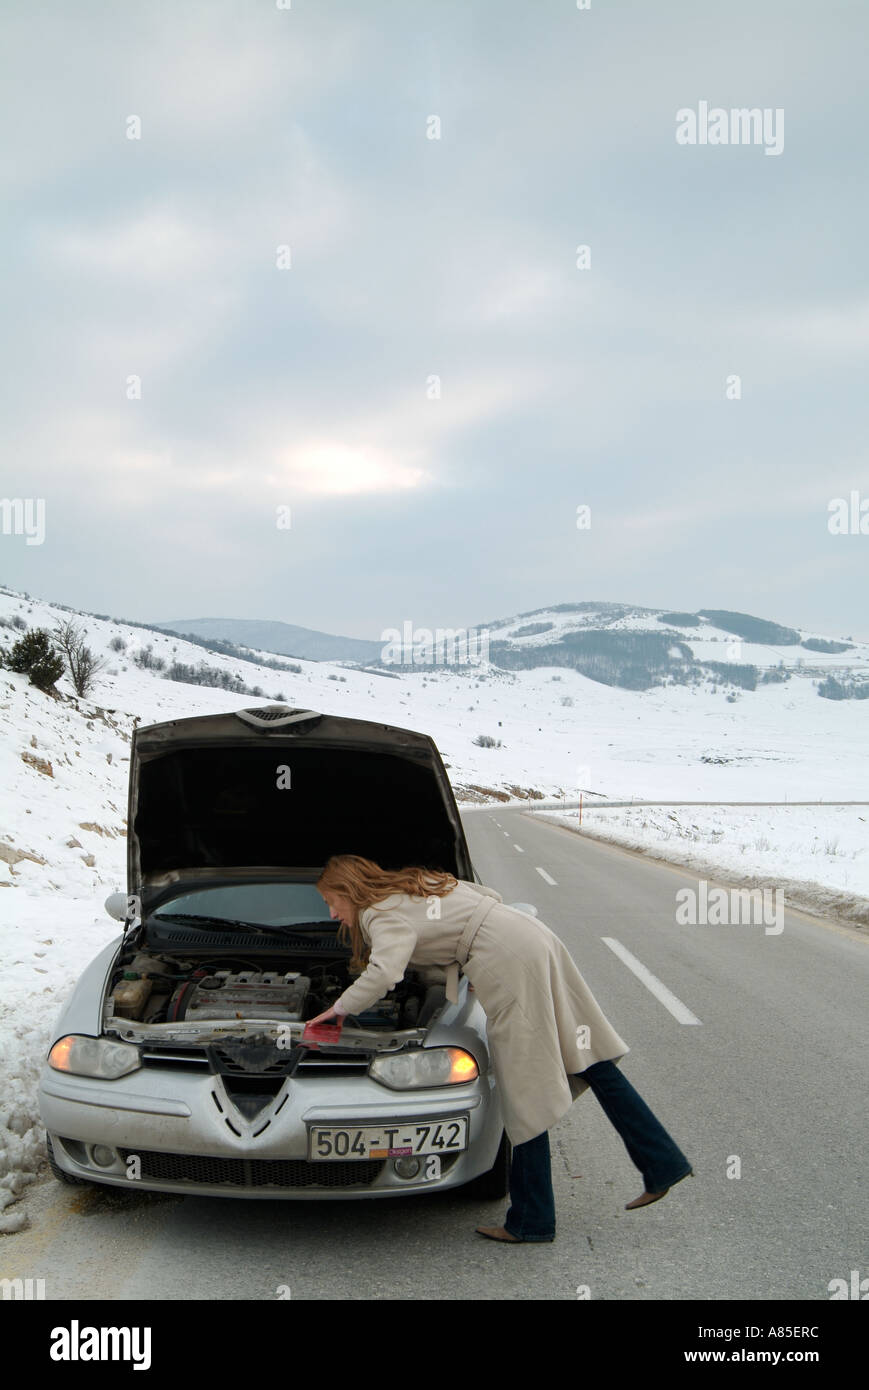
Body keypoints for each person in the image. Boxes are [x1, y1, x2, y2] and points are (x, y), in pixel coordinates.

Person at [309, 855, 692, 1243]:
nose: (332, 913)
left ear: (347, 890)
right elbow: (488, 895)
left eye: (330, 901)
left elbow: (384, 972)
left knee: (523, 1088)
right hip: (529, 937)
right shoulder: (414, 884)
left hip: (505, 959)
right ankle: (662, 1162)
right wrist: (470, 952)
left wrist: (338, 1010)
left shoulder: (377, 913)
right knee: (586, 1057)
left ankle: (533, 1220)